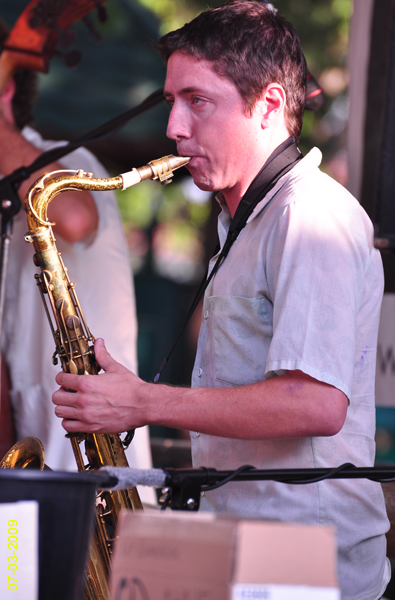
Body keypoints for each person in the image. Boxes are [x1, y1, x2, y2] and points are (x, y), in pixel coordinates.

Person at [52, 1, 390, 597]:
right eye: (172, 102)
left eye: (197, 101)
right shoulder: (245, 222)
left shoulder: (310, 216)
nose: (174, 128)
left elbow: (314, 405)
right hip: (251, 548)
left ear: (269, 107)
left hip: (304, 562)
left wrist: (144, 402)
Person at [0, 17, 155, 504]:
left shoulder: (66, 161)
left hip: (98, 477)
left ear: (4, 93)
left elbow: (73, 215)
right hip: (31, 472)